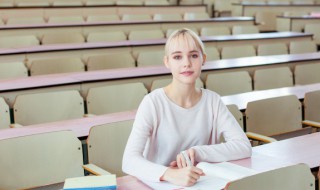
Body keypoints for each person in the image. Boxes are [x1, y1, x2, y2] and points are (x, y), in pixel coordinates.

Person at [122, 28, 252, 187]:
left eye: (194, 55)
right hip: (161, 184)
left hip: (202, 183)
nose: (186, 63)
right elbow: (129, 160)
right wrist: (169, 174)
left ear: (203, 59)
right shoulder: (152, 103)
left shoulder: (213, 101)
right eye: (177, 57)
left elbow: (243, 146)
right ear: (167, 62)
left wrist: (198, 152)